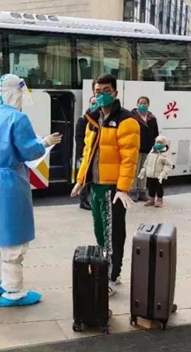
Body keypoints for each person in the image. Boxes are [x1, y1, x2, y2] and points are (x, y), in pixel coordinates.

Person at [0, 74, 62, 307]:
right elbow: (29, 151)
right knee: (13, 237)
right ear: (16, 93)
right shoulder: (17, 118)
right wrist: (46, 142)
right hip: (10, 183)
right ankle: (13, 291)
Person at [70, 73, 140, 297]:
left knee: (113, 234)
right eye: (97, 92)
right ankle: (106, 269)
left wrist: (123, 189)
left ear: (115, 93)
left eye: (106, 91)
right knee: (100, 232)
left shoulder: (126, 120)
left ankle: (111, 275)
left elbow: (129, 159)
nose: (101, 95)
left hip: (113, 189)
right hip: (96, 186)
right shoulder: (93, 120)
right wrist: (81, 181)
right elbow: (88, 153)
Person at [131, 96, 160, 201]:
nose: (143, 105)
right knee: (134, 171)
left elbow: (155, 134)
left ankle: (142, 192)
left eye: (145, 103)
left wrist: (155, 147)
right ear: (137, 104)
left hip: (148, 149)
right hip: (136, 148)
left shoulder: (152, 118)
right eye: (141, 103)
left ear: (148, 105)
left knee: (144, 171)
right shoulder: (132, 117)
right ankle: (133, 191)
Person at [75, 95, 97, 210]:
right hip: (85, 154)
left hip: (95, 154)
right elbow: (79, 139)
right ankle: (83, 201)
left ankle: (93, 200)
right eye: (92, 103)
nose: (94, 105)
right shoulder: (83, 119)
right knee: (83, 177)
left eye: (96, 103)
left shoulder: (100, 119)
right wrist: (81, 155)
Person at [139, 135, 173, 208]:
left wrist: (164, 173)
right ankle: (151, 199)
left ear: (164, 144)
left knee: (159, 188)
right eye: (157, 142)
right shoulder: (152, 152)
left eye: (161, 143)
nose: (158, 144)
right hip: (150, 174)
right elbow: (147, 161)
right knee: (151, 187)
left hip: (159, 175)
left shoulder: (165, 154)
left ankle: (159, 200)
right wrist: (143, 169)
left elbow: (168, 165)